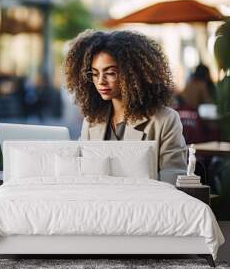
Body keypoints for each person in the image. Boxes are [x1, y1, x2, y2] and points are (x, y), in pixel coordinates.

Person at [64, 30, 187, 184]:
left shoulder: (165, 120)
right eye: (94, 74)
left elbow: (173, 177)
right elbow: (83, 172)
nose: (101, 81)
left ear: (133, 73)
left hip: (146, 203)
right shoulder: (92, 121)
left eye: (110, 73)